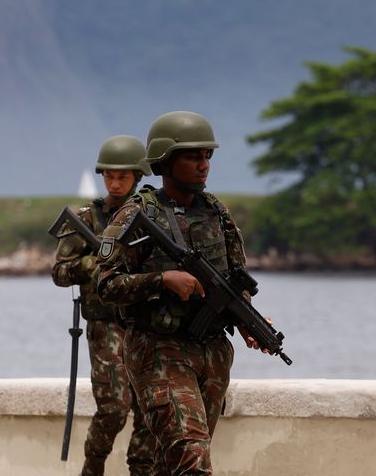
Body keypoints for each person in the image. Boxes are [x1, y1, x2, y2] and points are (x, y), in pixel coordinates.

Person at [95, 111, 263, 476]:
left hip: (213, 353)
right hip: (159, 350)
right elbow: (105, 285)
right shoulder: (136, 215)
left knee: (169, 465)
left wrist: (248, 319)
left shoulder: (218, 213)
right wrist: (161, 279)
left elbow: (234, 281)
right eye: (193, 157)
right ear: (166, 161)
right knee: (192, 459)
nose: (204, 166)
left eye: (207, 157)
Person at [52, 135, 154, 476]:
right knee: (113, 406)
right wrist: (92, 265)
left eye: (122, 176)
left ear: (137, 177)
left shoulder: (149, 217)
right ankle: (92, 467)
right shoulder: (87, 219)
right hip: (105, 323)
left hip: (144, 321)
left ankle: (140, 468)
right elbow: (60, 272)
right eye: (109, 176)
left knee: (147, 406)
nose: (114, 183)